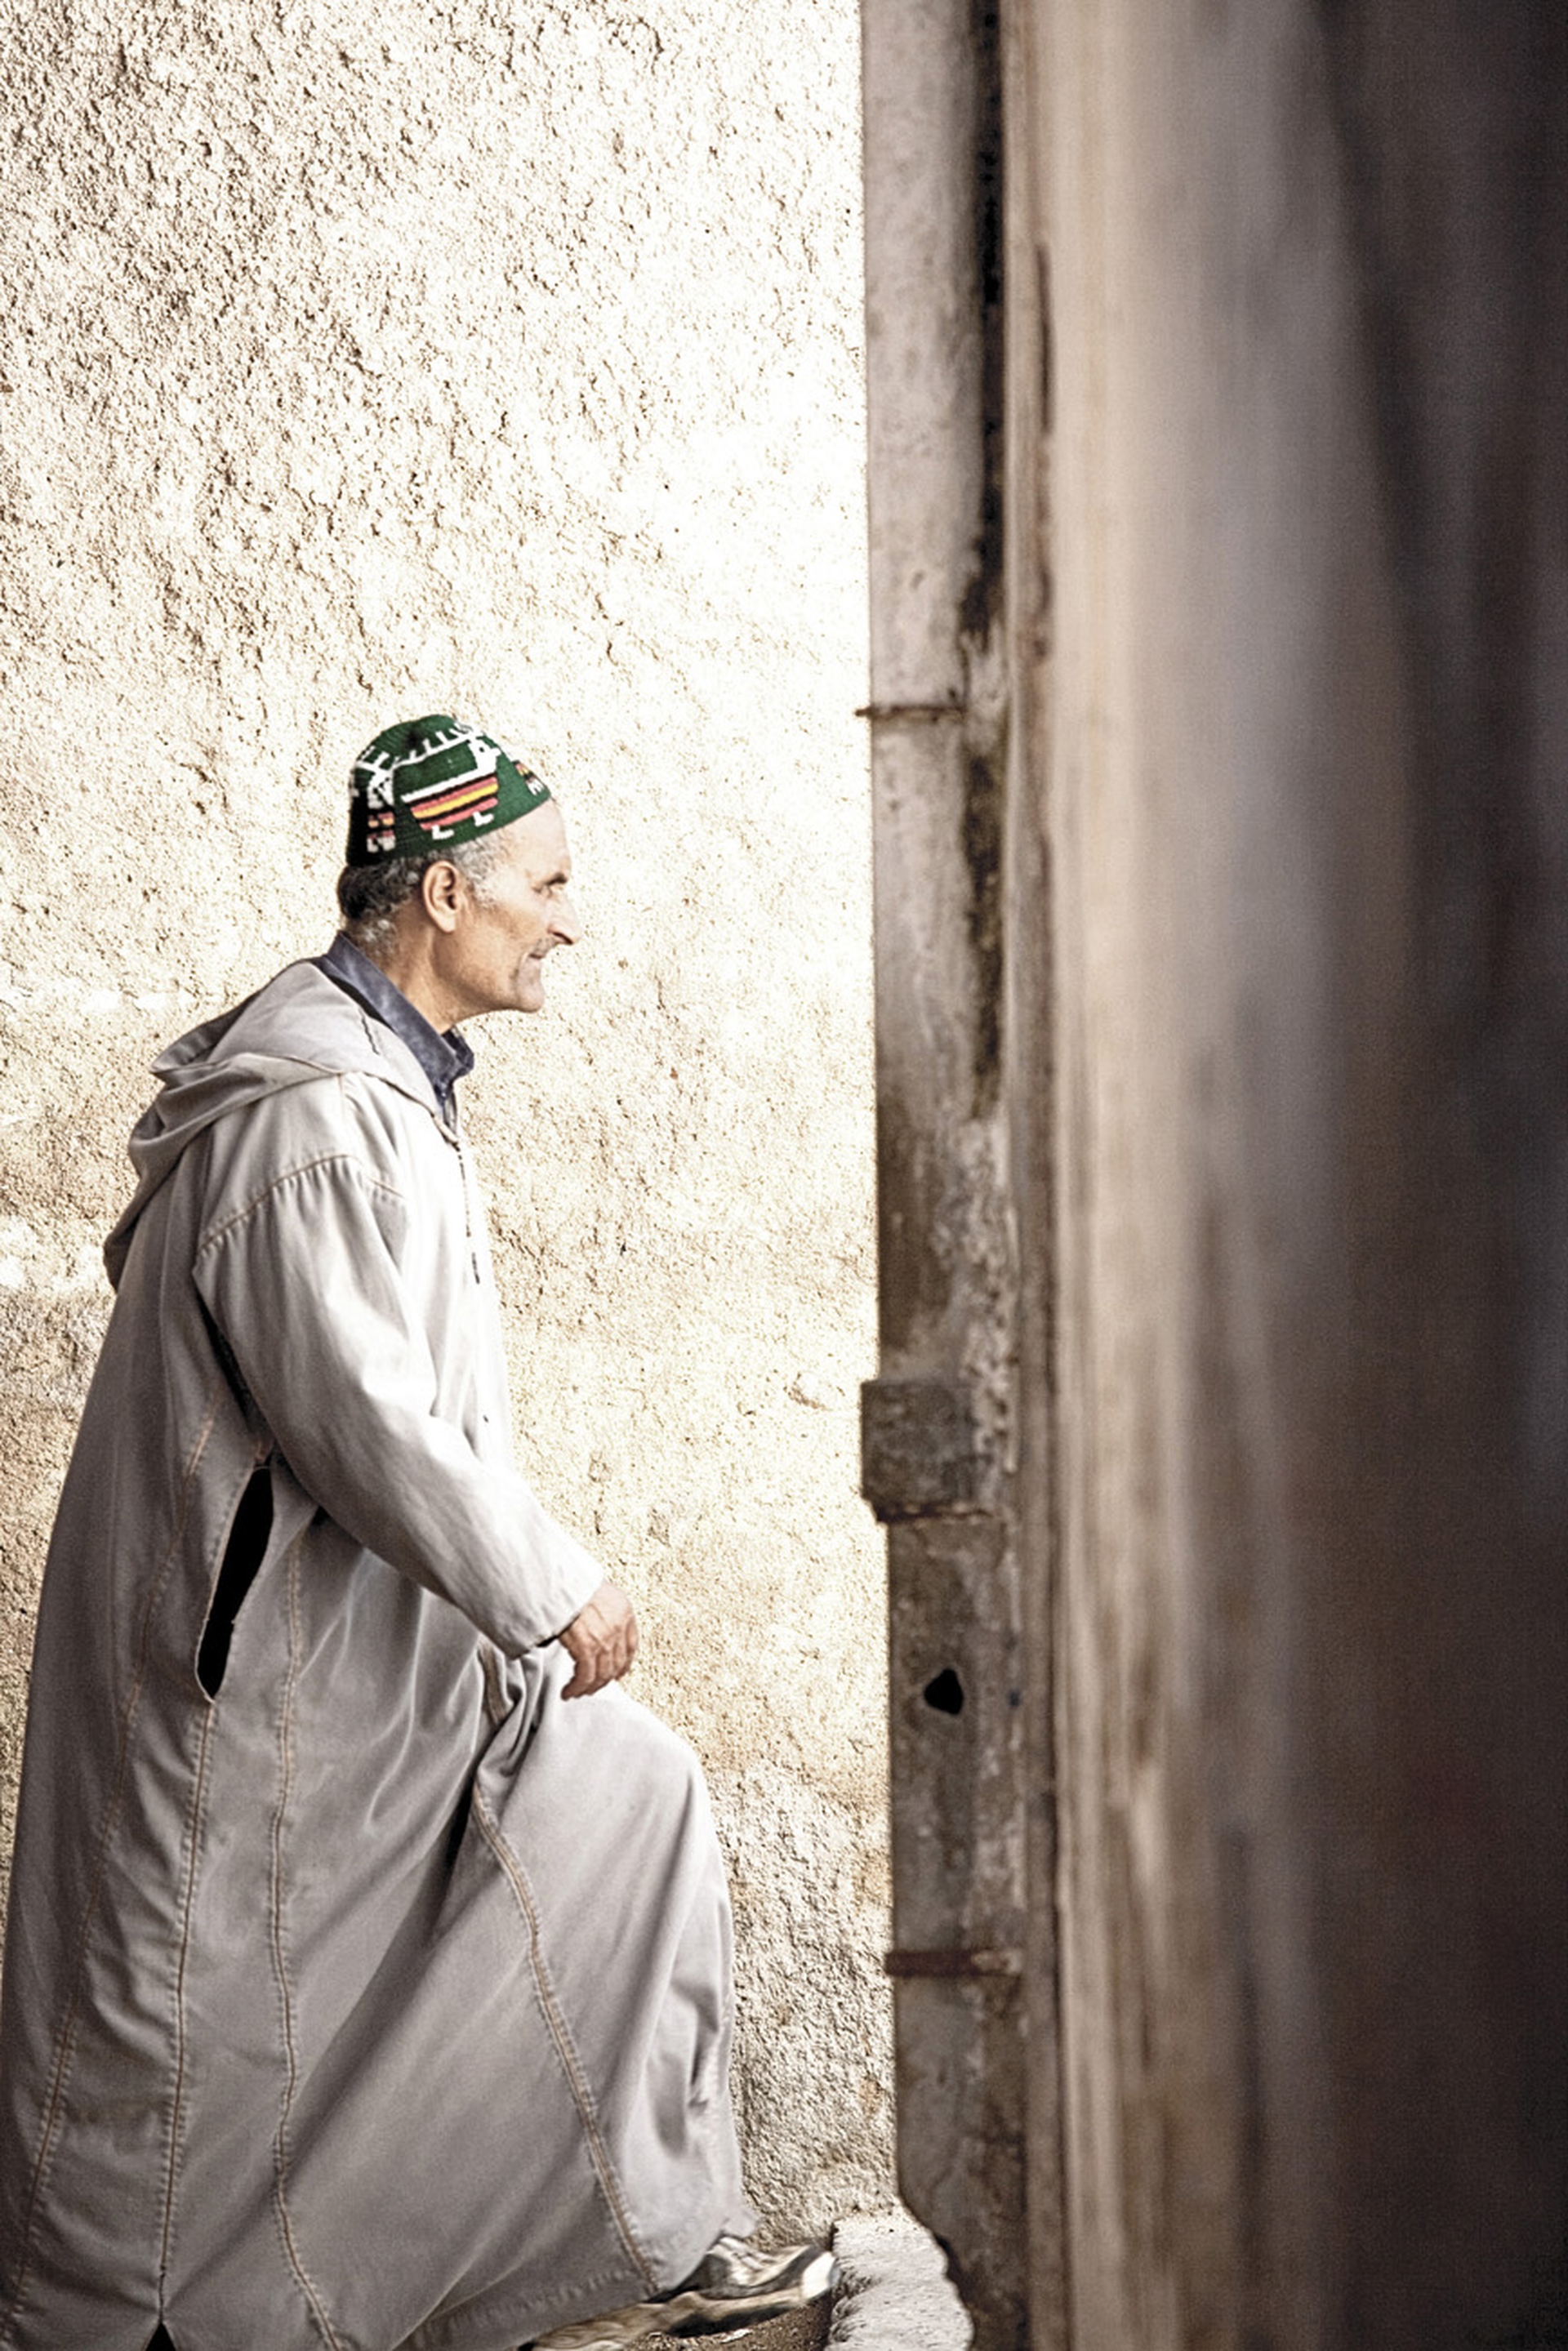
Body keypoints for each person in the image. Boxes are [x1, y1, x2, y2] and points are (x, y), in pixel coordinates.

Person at [0, 717, 837, 2351]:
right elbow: (367, 1417)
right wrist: (553, 1586)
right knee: (178, 2045)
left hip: (377, 1662)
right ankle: (114, 2322)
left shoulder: (374, 1088)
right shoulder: (314, 1113)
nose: (568, 921)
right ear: (444, 892)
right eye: (546, 883)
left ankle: (650, 2241)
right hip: (250, 1699)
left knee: (632, 1798)